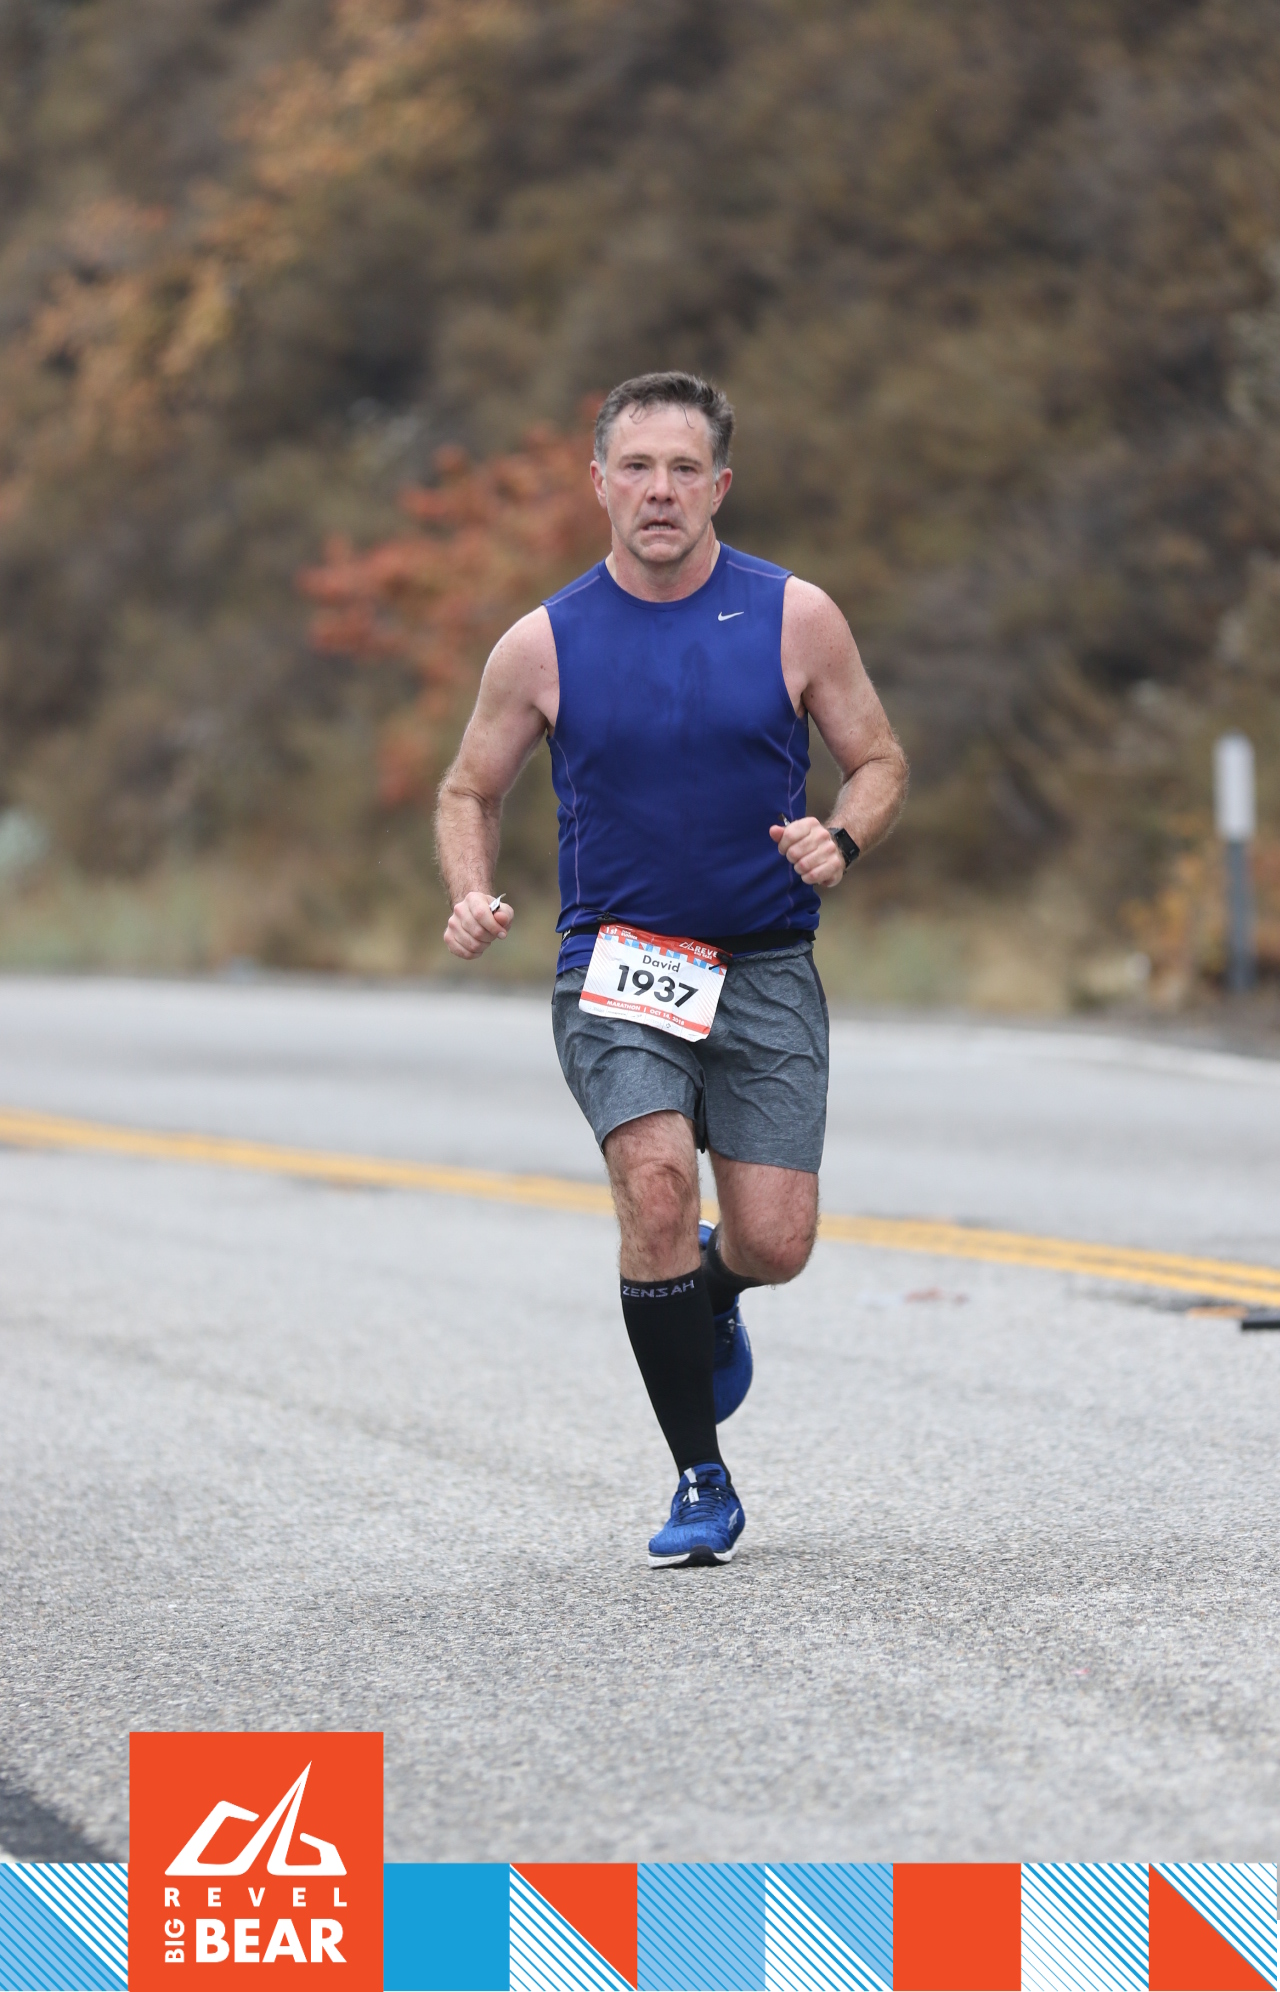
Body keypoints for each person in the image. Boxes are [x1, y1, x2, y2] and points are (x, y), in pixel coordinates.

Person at [435, 371, 908, 1567]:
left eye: (682, 469)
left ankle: (715, 1287)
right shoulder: (542, 643)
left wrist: (840, 836)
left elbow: (878, 760)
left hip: (762, 961)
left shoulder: (794, 617)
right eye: (636, 468)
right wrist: (470, 890)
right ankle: (701, 1475)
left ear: (718, 486)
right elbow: (468, 788)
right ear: (598, 483)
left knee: (776, 1241)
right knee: (652, 1190)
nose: (659, 491)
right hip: (618, 962)